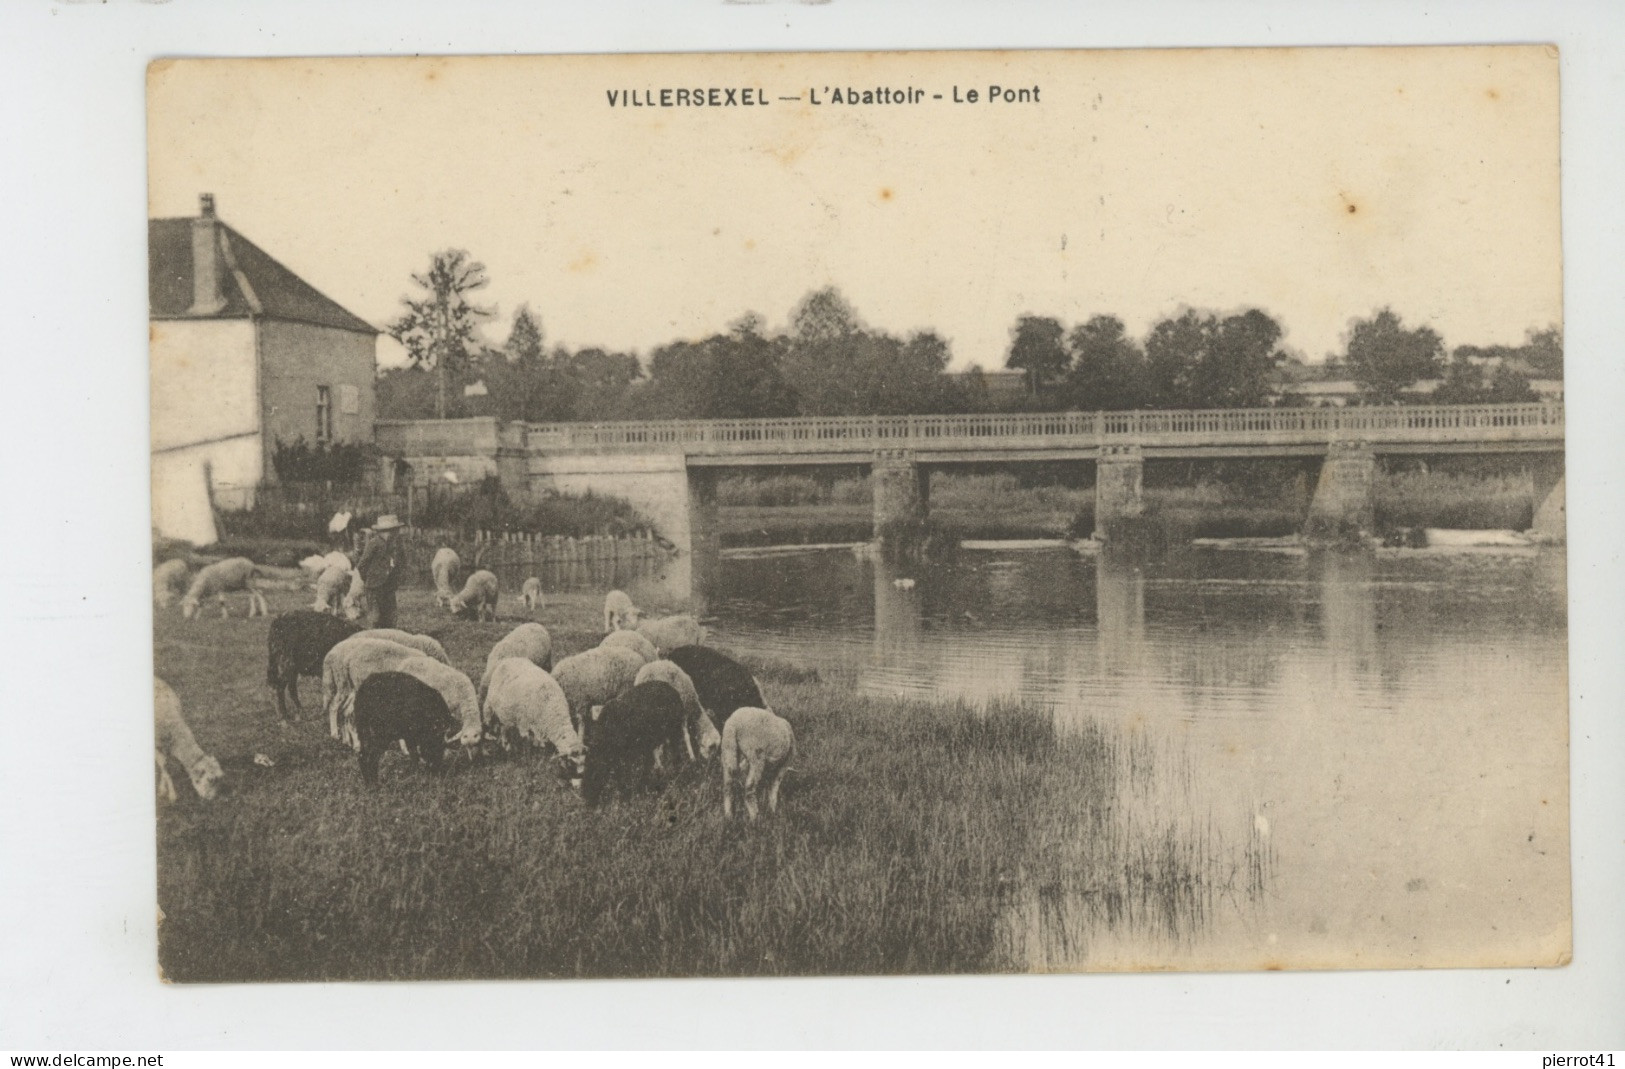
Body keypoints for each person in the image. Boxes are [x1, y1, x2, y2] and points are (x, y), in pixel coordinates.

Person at [356, 514, 407, 629]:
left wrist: (395, 577)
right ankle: (375, 639)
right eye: (393, 531)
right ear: (384, 532)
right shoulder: (374, 543)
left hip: (389, 586)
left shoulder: (395, 545)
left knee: (390, 615)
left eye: (396, 531)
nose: (395, 534)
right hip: (374, 587)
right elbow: (362, 565)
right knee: (375, 616)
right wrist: (369, 579)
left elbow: (400, 563)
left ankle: (390, 638)